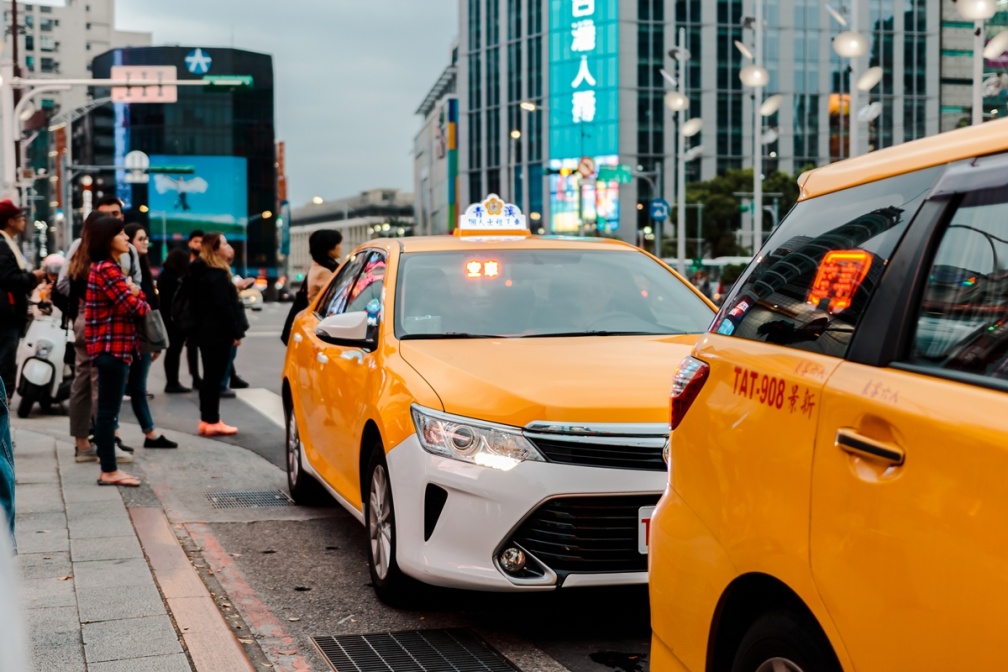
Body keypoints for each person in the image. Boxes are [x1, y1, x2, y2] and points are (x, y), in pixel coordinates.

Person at [60, 213, 133, 463]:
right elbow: (133, 304)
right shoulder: (101, 261)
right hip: (97, 320)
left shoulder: (79, 251)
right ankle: (107, 446)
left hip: (82, 319)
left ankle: (82, 443)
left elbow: (62, 284)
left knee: (82, 382)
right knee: (99, 385)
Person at [84, 216, 147, 487]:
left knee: (109, 412)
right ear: (108, 239)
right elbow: (136, 308)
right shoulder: (107, 269)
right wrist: (137, 293)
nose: (125, 238)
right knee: (108, 413)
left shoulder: (106, 268)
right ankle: (108, 470)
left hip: (114, 348)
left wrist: (135, 291)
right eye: (121, 234)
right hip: (112, 348)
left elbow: (133, 299)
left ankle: (108, 468)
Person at [122, 224, 177, 449]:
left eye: (146, 239)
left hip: (143, 337)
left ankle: (149, 432)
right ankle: (147, 432)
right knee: (132, 387)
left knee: (136, 387)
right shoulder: (127, 270)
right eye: (140, 239)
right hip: (134, 337)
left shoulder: (143, 267)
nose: (145, 242)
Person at [189, 232, 247, 436]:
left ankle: (207, 420)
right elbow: (225, 308)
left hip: (204, 332)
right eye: (223, 243)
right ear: (215, 249)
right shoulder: (217, 274)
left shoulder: (200, 270)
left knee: (209, 378)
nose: (227, 246)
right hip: (218, 333)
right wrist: (236, 333)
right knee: (214, 378)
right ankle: (212, 421)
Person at [0, 200, 45, 403]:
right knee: (5, 363)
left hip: (9, 314)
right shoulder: (2, 246)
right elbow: (11, 280)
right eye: (20, 217)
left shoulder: (7, 244)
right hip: (6, 316)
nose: (23, 220)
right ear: (10, 221)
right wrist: (34, 277)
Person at [158, 247, 191, 393]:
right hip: (174, 319)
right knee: (174, 351)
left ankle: (172, 381)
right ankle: (172, 382)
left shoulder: (164, 275)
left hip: (166, 317)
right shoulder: (175, 278)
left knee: (172, 351)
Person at [186, 229, 204, 389]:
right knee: (191, 346)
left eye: (201, 242)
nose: (198, 245)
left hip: (203, 311)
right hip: (188, 311)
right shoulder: (185, 262)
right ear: (189, 243)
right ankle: (195, 376)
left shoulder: (206, 262)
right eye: (196, 241)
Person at [306, 229, 343, 304]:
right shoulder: (323, 272)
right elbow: (336, 299)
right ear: (329, 247)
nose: (340, 247)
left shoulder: (317, 266)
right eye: (338, 243)